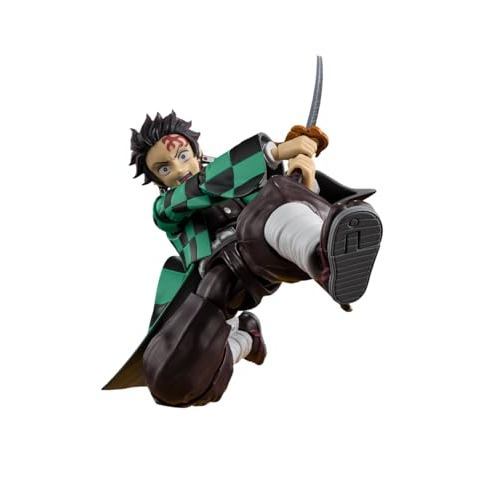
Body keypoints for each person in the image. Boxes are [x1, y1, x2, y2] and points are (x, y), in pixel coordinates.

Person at [103, 111, 383, 407]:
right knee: (169, 378)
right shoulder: (166, 208)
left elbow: (275, 195)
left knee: (276, 193)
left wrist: (305, 179)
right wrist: (274, 152)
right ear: (157, 180)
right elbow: (200, 188)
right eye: (164, 168)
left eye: (183, 155)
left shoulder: (240, 184)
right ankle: (244, 339)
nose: (179, 169)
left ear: (196, 151)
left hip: (262, 251)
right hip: (219, 283)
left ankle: (323, 255)